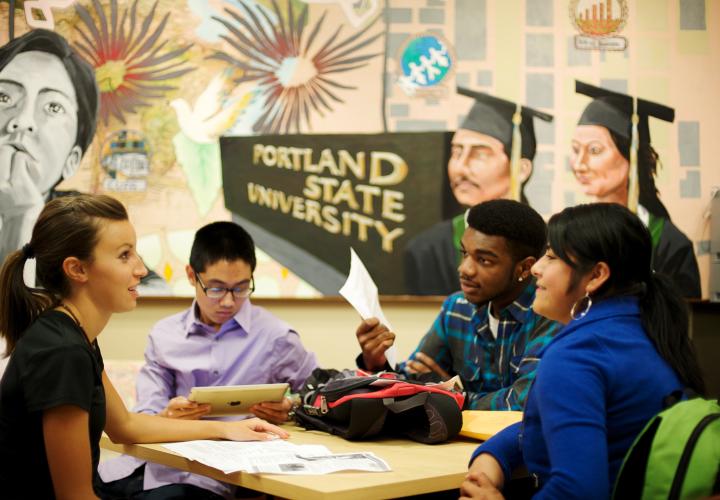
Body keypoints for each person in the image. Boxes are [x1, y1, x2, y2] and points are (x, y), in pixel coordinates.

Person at [0, 194, 287, 500]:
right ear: (77, 269)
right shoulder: (62, 352)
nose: (141, 269)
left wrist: (226, 430)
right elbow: (76, 496)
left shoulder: (75, 335)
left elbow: (126, 426)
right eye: (125, 255)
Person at [462, 203, 705, 500]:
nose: (536, 267)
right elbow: (566, 428)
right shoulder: (646, 328)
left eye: (551, 256)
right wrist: (494, 455)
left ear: (596, 276)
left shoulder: (576, 355)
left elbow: (578, 491)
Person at [98, 221, 318, 499]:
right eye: (215, 288)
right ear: (192, 275)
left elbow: (319, 396)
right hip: (142, 464)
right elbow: (145, 413)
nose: (228, 301)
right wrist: (167, 415)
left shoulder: (276, 337)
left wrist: (291, 406)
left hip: (208, 479)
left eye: (240, 288)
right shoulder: (165, 334)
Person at [357, 199, 560, 410]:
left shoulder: (551, 315)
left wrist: (454, 396)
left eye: (484, 260)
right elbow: (411, 380)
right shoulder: (457, 307)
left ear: (525, 268)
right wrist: (377, 362)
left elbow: (522, 402)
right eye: (464, 253)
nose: (465, 269)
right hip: (456, 442)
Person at [404, 87, 553, 295]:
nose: (460, 168)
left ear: (521, 169)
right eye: (456, 153)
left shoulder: (553, 246)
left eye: (479, 155)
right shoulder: (427, 249)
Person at [571, 80, 701, 298]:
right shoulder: (568, 234)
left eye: (594, 150)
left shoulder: (669, 243)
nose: (579, 164)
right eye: (575, 150)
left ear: (631, 157)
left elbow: (681, 321)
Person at [0, 29, 98, 266]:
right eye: (3, 98)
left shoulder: (89, 227)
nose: (22, 121)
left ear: (72, 160)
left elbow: (151, 290)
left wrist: (21, 220)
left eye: (53, 107)